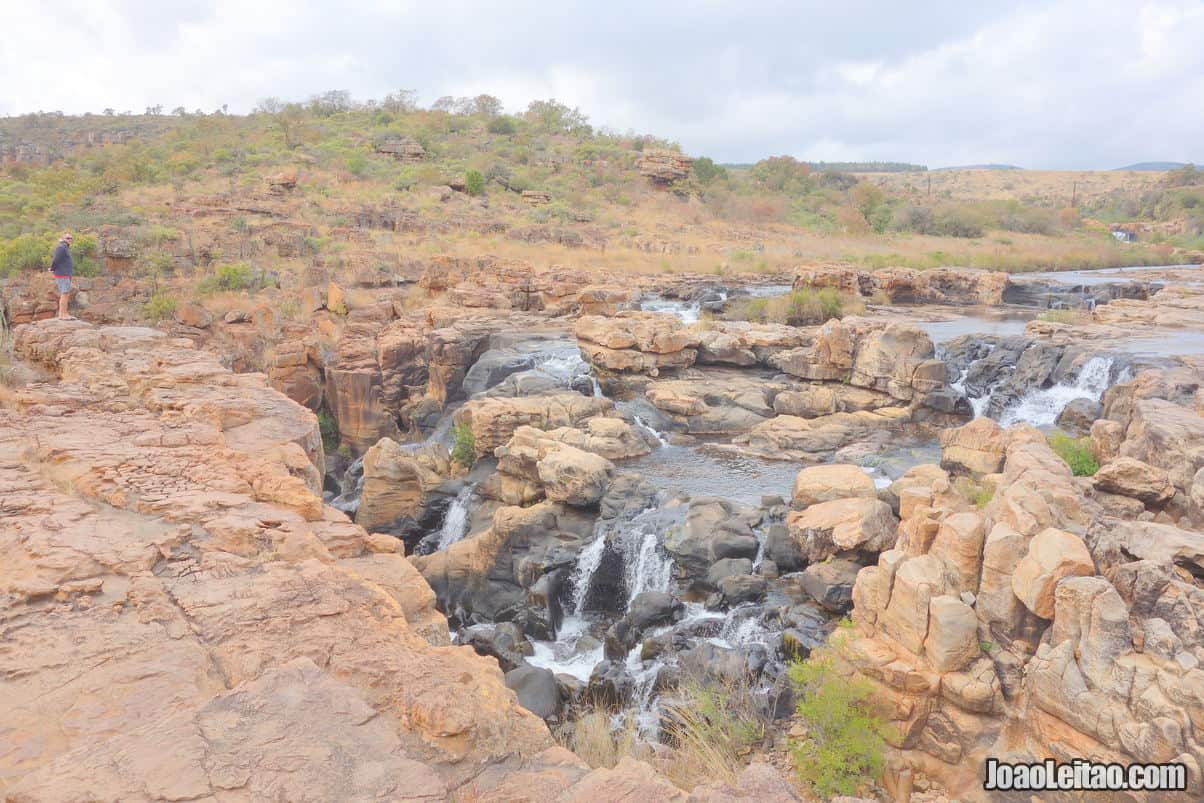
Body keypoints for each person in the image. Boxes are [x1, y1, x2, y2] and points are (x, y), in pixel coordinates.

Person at [49, 232, 75, 320]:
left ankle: (63, 314)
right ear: (62, 238)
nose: (70, 240)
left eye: (71, 238)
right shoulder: (61, 247)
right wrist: (52, 268)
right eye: (68, 238)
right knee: (64, 294)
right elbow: (56, 260)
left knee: (65, 294)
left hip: (65, 274)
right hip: (62, 274)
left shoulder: (65, 247)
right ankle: (63, 315)